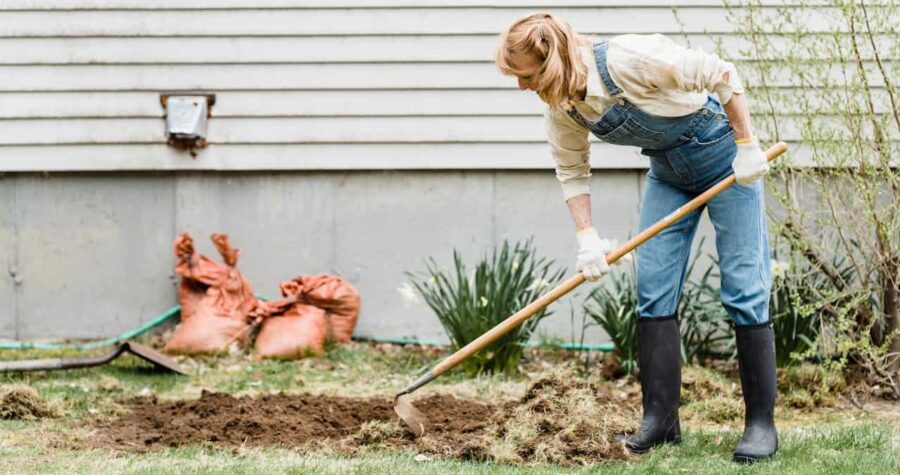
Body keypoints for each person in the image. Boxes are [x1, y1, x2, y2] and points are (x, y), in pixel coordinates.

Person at [494, 12, 777, 463]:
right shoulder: (565, 104)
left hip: (727, 163)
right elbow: (572, 170)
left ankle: (761, 425)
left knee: (744, 288)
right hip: (669, 175)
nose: (522, 86)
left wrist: (746, 145)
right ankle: (660, 421)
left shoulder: (629, 59)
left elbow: (722, 73)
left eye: (525, 76)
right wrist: (587, 237)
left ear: (548, 63)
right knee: (653, 292)